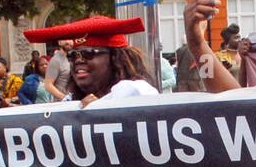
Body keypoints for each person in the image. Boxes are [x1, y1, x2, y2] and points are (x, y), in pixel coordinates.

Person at [22, 16, 157, 105]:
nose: (78, 60)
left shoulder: (136, 91)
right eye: (73, 55)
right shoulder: (71, 103)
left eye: (88, 53)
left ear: (115, 58)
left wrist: (98, 112)